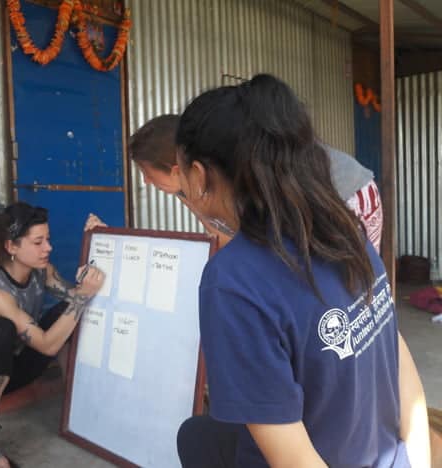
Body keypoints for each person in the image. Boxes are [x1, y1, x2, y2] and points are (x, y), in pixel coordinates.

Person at [173, 75, 430, 467]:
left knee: (194, 437)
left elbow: (295, 461)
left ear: (199, 174)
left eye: (179, 178)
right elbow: (398, 353)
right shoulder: (345, 229)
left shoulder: (232, 281)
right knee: (198, 434)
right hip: (389, 457)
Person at [0, 202, 104, 468]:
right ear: (11, 247)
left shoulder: (43, 271)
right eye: (38, 242)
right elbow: (48, 345)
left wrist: (97, 240)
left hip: (11, 370)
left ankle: (75, 407)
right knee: (1, 330)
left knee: (70, 312)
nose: (48, 248)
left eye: (48, 240)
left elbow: (76, 298)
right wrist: (83, 295)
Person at [86, 114, 383, 252]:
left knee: (354, 293)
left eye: (148, 172)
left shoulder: (232, 173)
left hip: (345, 195)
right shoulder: (187, 187)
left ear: (177, 169)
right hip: (298, 214)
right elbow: (222, 237)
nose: (146, 181)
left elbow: (263, 246)